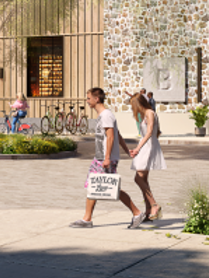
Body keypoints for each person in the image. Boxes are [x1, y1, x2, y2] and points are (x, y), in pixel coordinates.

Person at [70, 87, 143, 228]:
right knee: (94, 185)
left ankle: (137, 212)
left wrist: (107, 158)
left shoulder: (106, 115)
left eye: (88, 98)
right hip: (100, 157)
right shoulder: (103, 115)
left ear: (96, 99)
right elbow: (118, 134)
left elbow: (111, 136)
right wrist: (127, 151)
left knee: (111, 187)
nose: (87, 101)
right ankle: (87, 219)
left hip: (105, 158)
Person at [127, 92, 165, 222]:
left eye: (133, 105)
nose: (133, 108)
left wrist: (138, 148)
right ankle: (149, 210)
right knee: (143, 179)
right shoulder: (146, 114)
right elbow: (156, 132)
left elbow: (149, 132)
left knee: (138, 178)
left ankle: (154, 205)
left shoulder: (149, 112)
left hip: (147, 147)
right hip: (147, 146)